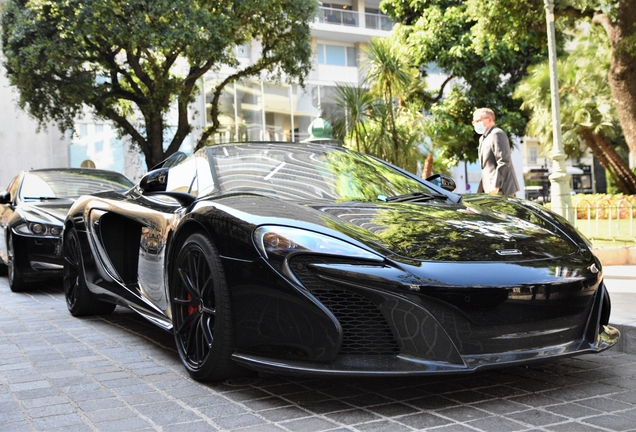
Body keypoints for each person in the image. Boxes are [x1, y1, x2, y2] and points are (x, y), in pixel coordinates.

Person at [472, 108, 520, 196]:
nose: (476, 124)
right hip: (489, 190)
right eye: (474, 122)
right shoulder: (483, 138)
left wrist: (496, 184)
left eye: (478, 120)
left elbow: (504, 161)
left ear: (489, 119)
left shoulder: (497, 134)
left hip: (501, 189)